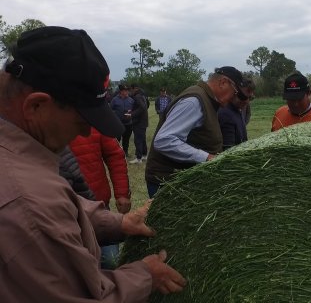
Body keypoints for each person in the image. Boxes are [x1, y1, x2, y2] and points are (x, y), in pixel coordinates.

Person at [0, 26, 186, 302]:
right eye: (81, 121)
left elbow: (58, 211)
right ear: (36, 106)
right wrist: (145, 274)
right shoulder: (27, 201)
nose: (87, 133)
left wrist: (120, 223)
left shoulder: (25, 148)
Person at [145, 66, 243, 197]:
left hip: (178, 182)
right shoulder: (194, 101)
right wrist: (206, 157)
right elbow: (164, 140)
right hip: (167, 183)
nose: (234, 98)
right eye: (235, 92)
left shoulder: (208, 100)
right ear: (223, 82)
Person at [70, 127, 132, 268]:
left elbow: (115, 155)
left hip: (98, 205)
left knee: (110, 261)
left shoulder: (93, 118)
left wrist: (122, 193)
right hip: (63, 210)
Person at [218, 77, 256, 150]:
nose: (247, 101)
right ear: (234, 91)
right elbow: (228, 151)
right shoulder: (226, 114)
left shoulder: (238, 109)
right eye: (243, 97)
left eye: (250, 98)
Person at [110, 84, 134, 157]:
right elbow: (110, 109)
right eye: (125, 90)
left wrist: (131, 111)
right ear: (121, 91)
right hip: (118, 123)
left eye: (127, 90)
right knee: (117, 139)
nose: (127, 92)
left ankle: (125, 152)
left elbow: (134, 110)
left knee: (126, 139)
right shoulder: (115, 100)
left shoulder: (131, 100)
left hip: (128, 123)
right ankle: (116, 153)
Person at [128, 84, 149, 164]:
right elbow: (145, 106)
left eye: (131, 89)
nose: (130, 91)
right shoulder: (142, 95)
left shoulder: (137, 96)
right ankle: (144, 155)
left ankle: (138, 158)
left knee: (138, 140)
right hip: (143, 121)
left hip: (139, 122)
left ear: (135, 89)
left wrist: (132, 114)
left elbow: (142, 107)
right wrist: (132, 111)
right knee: (142, 139)